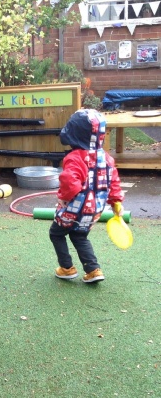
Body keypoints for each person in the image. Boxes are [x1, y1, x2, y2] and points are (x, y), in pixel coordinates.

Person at [50, 108, 124, 283]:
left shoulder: (75, 157)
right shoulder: (106, 158)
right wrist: (116, 202)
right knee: (79, 236)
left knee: (56, 234)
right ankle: (93, 270)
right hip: (94, 210)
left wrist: (64, 196)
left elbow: (70, 180)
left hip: (74, 208)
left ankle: (66, 268)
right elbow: (114, 182)